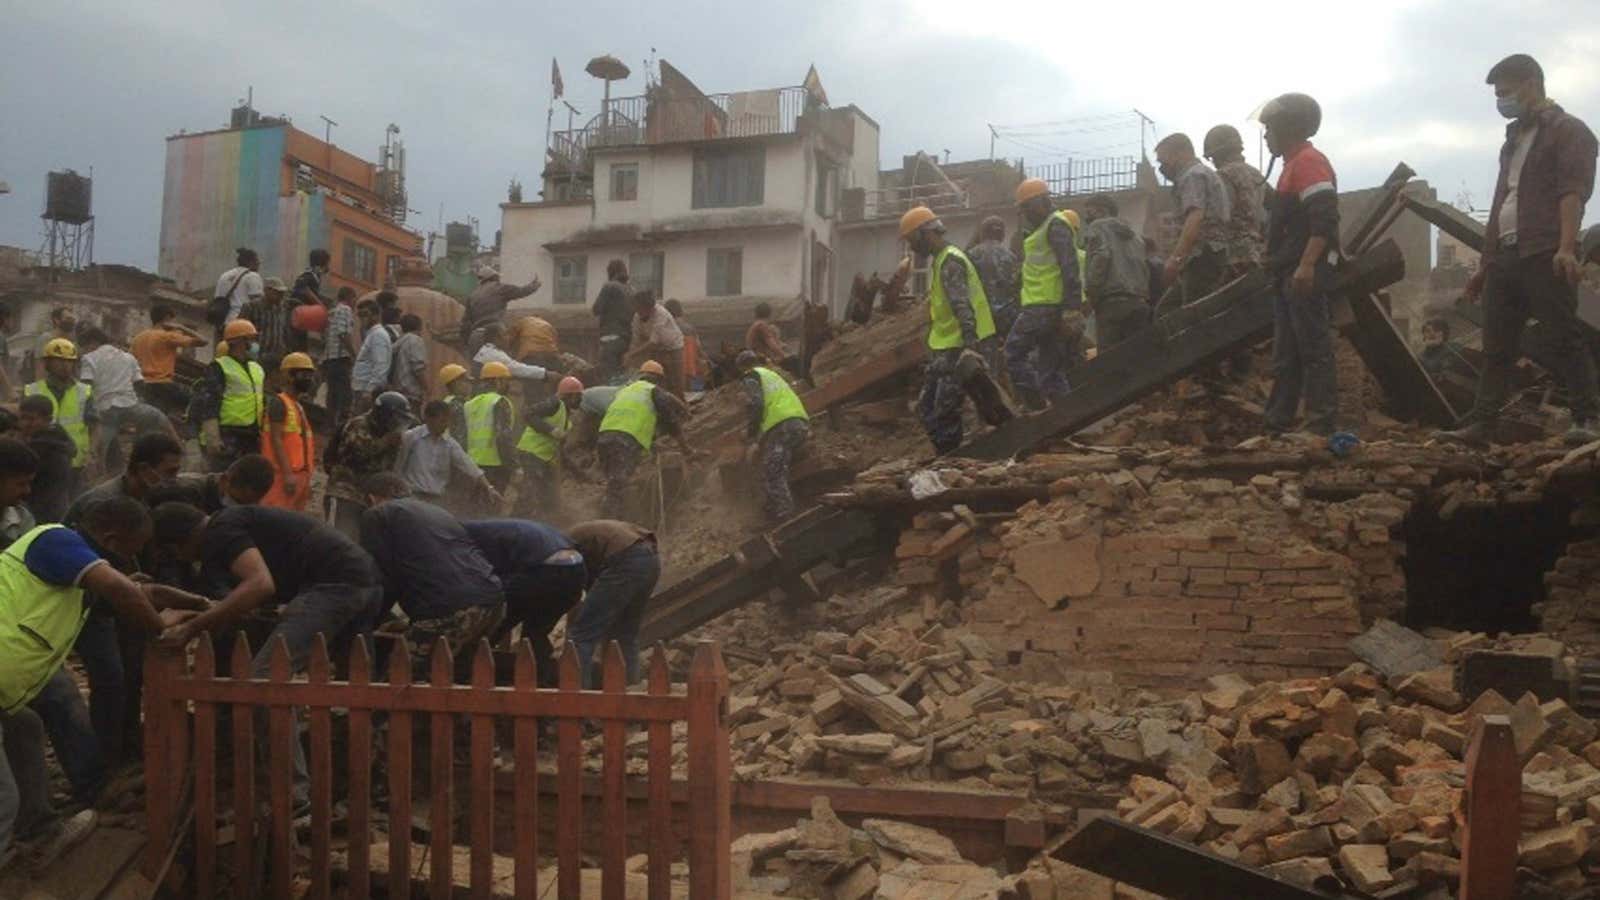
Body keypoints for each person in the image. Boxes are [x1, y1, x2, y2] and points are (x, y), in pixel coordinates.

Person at [153, 500, 382, 813]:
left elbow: (260, 584)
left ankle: (294, 796)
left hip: (335, 585)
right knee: (355, 688)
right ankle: (362, 787)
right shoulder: (236, 520)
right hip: (363, 579)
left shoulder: (220, 531)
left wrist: (192, 627)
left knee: (264, 681)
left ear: (180, 543)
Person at [1, 498, 195, 868]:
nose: (133, 561)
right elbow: (121, 590)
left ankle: (40, 827)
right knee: (3, 796)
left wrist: (202, 602)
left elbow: (136, 591)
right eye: (131, 550)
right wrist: (159, 624)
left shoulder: (72, 572)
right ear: (111, 538)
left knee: (25, 727)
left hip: (7, 685)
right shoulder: (55, 540)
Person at [1442, 54, 1599, 446]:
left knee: (1563, 337)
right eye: (1498, 94)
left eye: (1507, 92)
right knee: (1497, 347)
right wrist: (1484, 265)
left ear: (1532, 84)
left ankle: (1587, 419)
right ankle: (1482, 425)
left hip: (1544, 249)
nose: (1501, 100)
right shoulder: (1512, 140)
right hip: (1506, 257)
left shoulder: (1569, 131)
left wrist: (1566, 246)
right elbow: (1501, 203)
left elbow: (1572, 192)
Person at [61, 433, 186, 769]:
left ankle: (127, 745)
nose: (174, 479)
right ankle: (104, 757)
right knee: (110, 677)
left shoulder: (144, 496)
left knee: (131, 669)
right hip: (87, 600)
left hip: (120, 595)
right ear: (144, 469)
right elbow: (95, 572)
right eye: (169, 471)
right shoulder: (102, 503)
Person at [357, 475, 504, 672]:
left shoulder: (377, 514)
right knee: (455, 678)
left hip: (450, 610)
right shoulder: (437, 511)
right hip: (493, 602)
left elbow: (382, 577)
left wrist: (371, 620)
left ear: (372, 498)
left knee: (396, 678)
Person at [1258, 93, 1341, 437]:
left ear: (1286, 127)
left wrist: (1307, 266)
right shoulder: (1291, 165)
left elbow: (1324, 218)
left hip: (1302, 271)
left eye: (1269, 129)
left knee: (1313, 348)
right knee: (1286, 352)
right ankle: (1278, 422)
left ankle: (1320, 423)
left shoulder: (1308, 162)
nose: (1265, 136)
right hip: (1287, 271)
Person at [899, 206, 999, 451]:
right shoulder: (942, 260)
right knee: (927, 408)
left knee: (945, 408)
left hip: (960, 347)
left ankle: (952, 458)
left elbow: (961, 305)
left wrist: (970, 345)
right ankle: (948, 454)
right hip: (947, 347)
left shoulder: (951, 261)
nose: (912, 247)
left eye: (912, 240)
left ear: (926, 233)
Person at [462, 517, 585, 685]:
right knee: (535, 632)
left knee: (493, 623)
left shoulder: (466, 536)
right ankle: (543, 684)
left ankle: (468, 675)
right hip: (575, 572)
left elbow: (485, 574)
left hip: (545, 570)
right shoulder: (501, 528)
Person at [1205, 123, 1268, 381]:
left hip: (1233, 253)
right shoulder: (1257, 175)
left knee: (1225, 313)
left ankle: (1232, 373)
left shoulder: (1223, 176)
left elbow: (1221, 218)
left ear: (1215, 153)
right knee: (1246, 310)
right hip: (1256, 250)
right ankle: (1243, 370)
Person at [1008, 179, 1078, 411]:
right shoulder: (1043, 229)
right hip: (1045, 306)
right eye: (1023, 209)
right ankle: (1069, 418)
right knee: (1050, 371)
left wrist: (1072, 308)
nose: (1026, 213)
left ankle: (1037, 407)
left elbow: (1070, 266)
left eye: (1028, 207)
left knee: (1013, 353)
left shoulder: (1055, 225)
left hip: (1043, 307)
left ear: (1042, 201)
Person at [565, 519, 660, 687]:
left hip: (625, 558)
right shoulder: (581, 539)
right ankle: (630, 691)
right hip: (651, 558)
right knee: (625, 634)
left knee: (581, 635)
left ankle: (577, 697)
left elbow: (575, 587)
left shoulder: (561, 547)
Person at [595, 361, 694, 520]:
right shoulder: (653, 391)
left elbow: (632, 419)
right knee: (618, 485)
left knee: (614, 482)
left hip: (604, 438)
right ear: (658, 379)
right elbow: (671, 422)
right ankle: (612, 524)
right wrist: (685, 447)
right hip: (625, 440)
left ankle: (611, 518)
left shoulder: (626, 391)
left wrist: (652, 446)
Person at [1155, 133, 1233, 308]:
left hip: (1203, 254)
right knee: (1167, 311)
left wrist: (1175, 259)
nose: (1161, 167)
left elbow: (1195, 217)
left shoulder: (1192, 176)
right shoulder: (1202, 173)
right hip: (1206, 254)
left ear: (1180, 153)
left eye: (1163, 161)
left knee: (1196, 316)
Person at [78, 328, 173, 470]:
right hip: (131, 406)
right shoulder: (129, 357)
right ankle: (150, 460)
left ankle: (101, 471)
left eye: (84, 347)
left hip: (105, 410)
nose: (84, 350)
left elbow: (86, 387)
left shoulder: (89, 358)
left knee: (99, 450)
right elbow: (140, 384)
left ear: (92, 342)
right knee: (156, 420)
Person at [324, 391, 411, 539]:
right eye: (396, 418)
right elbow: (355, 455)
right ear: (384, 415)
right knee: (339, 538)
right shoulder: (358, 425)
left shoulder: (390, 433)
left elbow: (388, 467)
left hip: (370, 497)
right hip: (345, 492)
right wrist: (385, 442)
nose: (398, 424)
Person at [736, 351, 810, 522]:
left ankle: (786, 515)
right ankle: (770, 512)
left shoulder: (751, 376)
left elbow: (756, 403)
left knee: (772, 471)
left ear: (741, 368)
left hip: (782, 426)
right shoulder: (771, 375)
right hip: (797, 422)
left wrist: (751, 433)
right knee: (776, 465)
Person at [396, 400, 500, 509]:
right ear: (429, 419)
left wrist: (489, 487)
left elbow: (468, 465)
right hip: (412, 497)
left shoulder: (449, 444)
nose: (445, 425)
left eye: (447, 421)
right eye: (442, 421)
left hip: (436, 500)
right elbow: (399, 464)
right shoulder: (411, 437)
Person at [1081, 194, 1152, 350]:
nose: (1087, 219)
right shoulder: (1135, 237)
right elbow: (1145, 268)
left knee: (1110, 364)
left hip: (1112, 305)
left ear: (1102, 211)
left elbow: (1101, 258)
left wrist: (1091, 293)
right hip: (1139, 304)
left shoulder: (1098, 226)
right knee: (1137, 359)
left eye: (1089, 213)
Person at [195, 319, 264, 473]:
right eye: (250, 339)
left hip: (251, 435)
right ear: (239, 341)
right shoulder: (219, 366)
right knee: (223, 478)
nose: (253, 343)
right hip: (229, 434)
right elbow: (209, 402)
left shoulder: (256, 368)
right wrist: (213, 436)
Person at [25, 338, 97, 485]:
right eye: (59, 361)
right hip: (38, 459)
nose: (65, 365)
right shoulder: (32, 390)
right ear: (47, 364)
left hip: (74, 462)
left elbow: (95, 426)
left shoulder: (84, 392)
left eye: (69, 361)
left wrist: (91, 454)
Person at [515, 376, 587, 517]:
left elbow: (560, 452)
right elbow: (528, 414)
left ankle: (547, 523)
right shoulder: (554, 404)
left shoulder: (566, 417)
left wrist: (580, 474)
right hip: (530, 453)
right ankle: (515, 521)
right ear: (570, 396)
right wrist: (550, 430)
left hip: (543, 458)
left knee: (548, 495)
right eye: (579, 396)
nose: (581, 400)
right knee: (529, 494)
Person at [260, 353, 316, 511]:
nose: (308, 379)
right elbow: (276, 440)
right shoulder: (279, 403)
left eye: (310, 375)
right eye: (303, 375)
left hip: (301, 474)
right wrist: (287, 474)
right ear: (290, 376)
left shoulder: (297, 405)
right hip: (282, 475)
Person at [131, 305, 205, 419]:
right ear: (167, 318)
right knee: (197, 402)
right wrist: (181, 327)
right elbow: (203, 341)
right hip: (163, 384)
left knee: (152, 417)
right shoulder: (167, 336)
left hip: (143, 385)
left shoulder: (138, 338)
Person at [15, 395, 75, 524]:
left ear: (48, 420)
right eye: (22, 418)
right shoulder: (59, 441)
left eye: (31, 419)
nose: (24, 424)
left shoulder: (43, 449)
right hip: (55, 511)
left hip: (40, 515)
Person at [463, 361, 519, 495]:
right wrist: (514, 465)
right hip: (495, 465)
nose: (508, 385)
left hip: (471, 464)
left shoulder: (469, 404)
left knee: (473, 508)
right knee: (491, 509)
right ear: (497, 381)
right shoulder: (499, 401)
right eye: (506, 380)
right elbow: (503, 436)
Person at [967, 216, 1021, 349]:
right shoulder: (1011, 257)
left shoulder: (972, 255)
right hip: (1008, 317)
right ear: (1001, 234)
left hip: (982, 317)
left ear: (983, 232)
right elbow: (1017, 287)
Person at [463, 267, 540, 357]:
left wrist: (466, 342)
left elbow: (465, 323)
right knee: (502, 365)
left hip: (476, 335)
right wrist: (534, 285)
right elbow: (521, 291)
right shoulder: (500, 288)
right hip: (495, 332)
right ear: (494, 277)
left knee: (479, 368)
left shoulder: (472, 295)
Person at [625, 290, 687, 398]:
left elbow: (653, 342)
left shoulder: (660, 314)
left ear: (648, 307)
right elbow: (636, 340)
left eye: (641, 308)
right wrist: (629, 358)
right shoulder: (636, 317)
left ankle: (682, 407)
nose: (638, 310)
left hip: (673, 347)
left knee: (677, 383)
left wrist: (631, 354)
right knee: (657, 380)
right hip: (657, 350)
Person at [320, 286, 360, 430]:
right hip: (340, 358)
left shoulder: (332, 312)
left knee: (333, 395)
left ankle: (329, 425)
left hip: (330, 358)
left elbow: (325, 335)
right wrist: (353, 354)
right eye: (354, 298)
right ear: (349, 297)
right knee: (345, 395)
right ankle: (341, 428)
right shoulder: (345, 310)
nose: (355, 302)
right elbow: (343, 334)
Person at [473, 322, 559, 386]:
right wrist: (545, 373)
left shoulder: (487, 350)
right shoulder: (494, 355)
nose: (508, 338)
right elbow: (518, 369)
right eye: (505, 335)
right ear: (496, 338)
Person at [239, 276, 297, 364]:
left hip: (276, 356)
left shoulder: (282, 308)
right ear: (266, 291)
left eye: (282, 293)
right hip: (257, 356)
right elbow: (240, 330)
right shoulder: (251, 307)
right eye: (277, 292)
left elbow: (284, 331)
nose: (281, 296)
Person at [592, 259, 633, 380]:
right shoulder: (631, 289)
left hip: (610, 337)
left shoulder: (609, 286)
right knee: (622, 376)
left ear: (610, 272)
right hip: (627, 339)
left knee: (609, 376)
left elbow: (596, 309)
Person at [350, 299, 393, 411]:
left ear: (376, 315)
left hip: (368, 391)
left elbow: (381, 365)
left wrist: (369, 390)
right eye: (360, 315)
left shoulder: (378, 335)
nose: (362, 318)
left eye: (365, 314)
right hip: (362, 388)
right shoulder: (371, 334)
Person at [213, 248, 264, 334]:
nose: (259, 264)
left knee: (223, 347)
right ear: (250, 262)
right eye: (257, 261)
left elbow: (217, 298)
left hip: (222, 323)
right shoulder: (253, 276)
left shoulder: (224, 276)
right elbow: (258, 303)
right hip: (242, 326)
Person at [664, 299, 711, 391]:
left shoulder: (666, 328)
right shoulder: (690, 329)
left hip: (673, 371)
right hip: (691, 371)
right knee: (692, 396)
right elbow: (699, 350)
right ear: (680, 311)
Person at [745, 302, 798, 375]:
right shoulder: (761, 325)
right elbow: (772, 344)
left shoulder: (756, 325)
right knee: (794, 362)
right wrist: (784, 356)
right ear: (769, 313)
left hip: (758, 357)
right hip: (762, 359)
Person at [1418, 318, 1475, 382]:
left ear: (1444, 333)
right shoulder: (1421, 357)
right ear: (1423, 335)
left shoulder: (1455, 348)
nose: (1432, 333)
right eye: (1427, 331)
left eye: (1436, 330)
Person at [390, 314, 429, 407]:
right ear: (419, 327)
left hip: (397, 391)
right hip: (411, 393)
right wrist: (427, 389)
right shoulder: (415, 340)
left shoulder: (399, 342)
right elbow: (418, 369)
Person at [30, 307, 77, 382]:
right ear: (57, 320)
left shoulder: (71, 342)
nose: (71, 322)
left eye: (72, 319)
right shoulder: (46, 339)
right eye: (68, 318)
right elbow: (40, 367)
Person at [438, 363, 472, 443]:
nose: (469, 385)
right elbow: (460, 437)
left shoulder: (446, 402)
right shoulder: (457, 405)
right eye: (466, 381)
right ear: (456, 383)